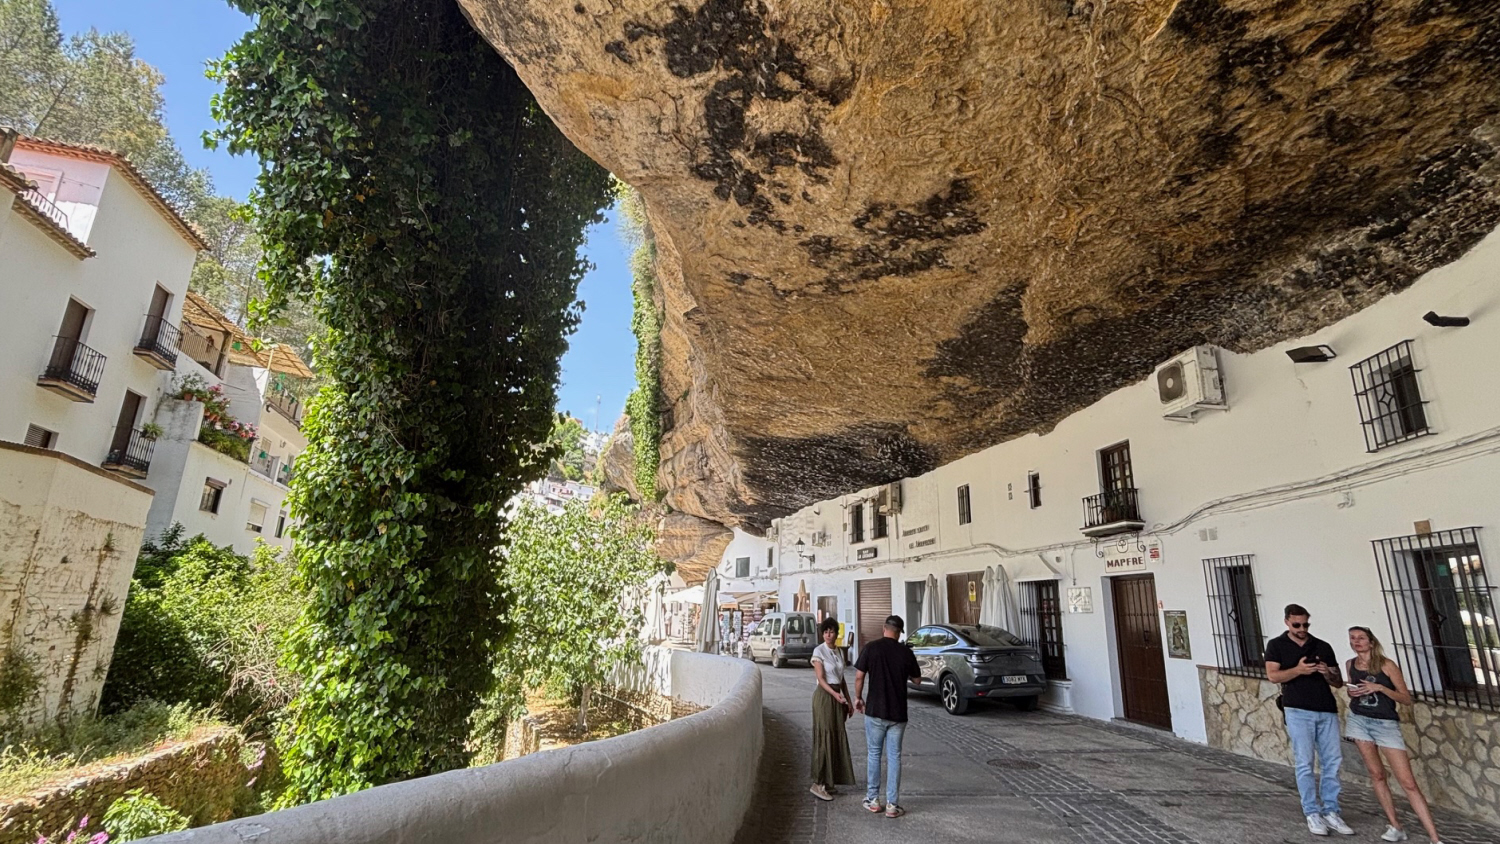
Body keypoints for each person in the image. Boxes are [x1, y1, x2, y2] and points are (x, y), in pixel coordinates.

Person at [1344, 626, 1444, 844]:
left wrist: (1380, 688)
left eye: (1361, 638)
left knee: (1408, 782)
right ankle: (1395, 825)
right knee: (1376, 774)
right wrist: (1352, 692)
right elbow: (1353, 691)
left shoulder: (1387, 665)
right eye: (1352, 638)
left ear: (1371, 642)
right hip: (1359, 720)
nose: (1356, 641)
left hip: (1385, 724)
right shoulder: (1350, 664)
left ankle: (1435, 838)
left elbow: (1405, 698)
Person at [1265, 604, 1352, 837]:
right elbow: (1273, 676)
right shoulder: (1276, 645)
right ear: (1287, 622)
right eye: (1297, 625)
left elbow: (1337, 682)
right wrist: (1298, 670)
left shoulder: (1322, 646)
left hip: (1326, 709)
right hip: (1297, 709)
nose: (1302, 629)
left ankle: (1331, 810)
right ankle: (1311, 812)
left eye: (1305, 624)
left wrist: (1327, 673)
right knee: (1305, 762)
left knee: (1332, 761)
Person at [854, 614, 921, 818]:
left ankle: (873, 800)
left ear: (884, 628)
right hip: (898, 713)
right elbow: (917, 680)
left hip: (875, 710)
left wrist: (858, 698)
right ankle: (892, 805)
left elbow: (859, 677)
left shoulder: (871, 648)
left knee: (874, 754)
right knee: (894, 757)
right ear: (899, 633)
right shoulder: (906, 652)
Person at [808, 618, 855, 801]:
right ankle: (818, 782)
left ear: (836, 633)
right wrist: (835, 695)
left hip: (837, 696)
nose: (828, 635)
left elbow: (841, 679)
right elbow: (821, 678)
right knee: (824, 736)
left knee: (835, 735)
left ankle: (829, 780)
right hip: (825, 696)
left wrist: (848, 701)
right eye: (826, 632)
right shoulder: (819, 651)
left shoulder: (838, 651)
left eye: (832, 631)